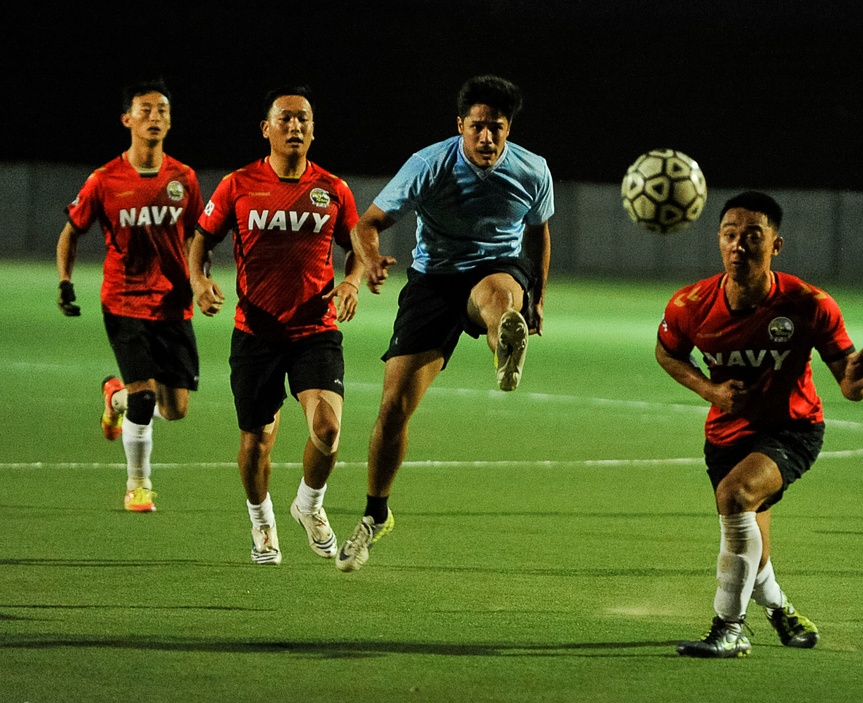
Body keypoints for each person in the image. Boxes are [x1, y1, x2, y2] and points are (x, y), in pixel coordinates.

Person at [336, 74, 554, 572]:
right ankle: (375, 514)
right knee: (393, 408)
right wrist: (368, 261)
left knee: (500, 297)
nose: (486, 138)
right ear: (460, 125)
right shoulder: (428, 165)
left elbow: (539, 233)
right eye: (477, 127)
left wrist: (538, 296)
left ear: (509, 129)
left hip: (496, 269)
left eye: (496, 128)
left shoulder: (532, 170)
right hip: (433, 282)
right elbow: (365, 224)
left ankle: (505, 343)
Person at [656, 191, 863, 658]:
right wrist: (711, 392)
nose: (739, 245)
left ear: (775, 245)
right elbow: (667, 353)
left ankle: (729, 628)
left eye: (753, 236)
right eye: (730, 235)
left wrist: (858, 382)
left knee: (735, 496)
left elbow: (847, 383)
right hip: (726, 435)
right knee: (752, 545)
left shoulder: (809, 303)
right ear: (718, 241)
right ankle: (780, 610)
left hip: (792, 430)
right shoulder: (691, 304)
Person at [188, 86, 364, 565]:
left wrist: (351, 282)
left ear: (313, 130)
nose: (295, 127)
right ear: (266, 129)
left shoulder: (334, 189)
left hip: (316, 331)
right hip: (256, 334)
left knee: (327, 431)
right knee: (256, 442)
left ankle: (309, 505)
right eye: (285, 119)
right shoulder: (238, 184)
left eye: (303, 119)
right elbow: (201, 240)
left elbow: (358, 250)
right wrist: (199, 281)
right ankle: (261, 522)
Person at [55, 79, 204, 513]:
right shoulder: (104, 179)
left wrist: (200, 278)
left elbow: (199, 235)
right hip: (123, 302)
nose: (154, 117)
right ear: (127, 120)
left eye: (162, 110)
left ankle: (114, 397)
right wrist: (65, 281)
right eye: (145, 110)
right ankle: (138, 485)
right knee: (145, 399)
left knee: (174, 408)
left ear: (170, 120)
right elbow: (70, 233)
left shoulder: (184, 179)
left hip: (174, 304)